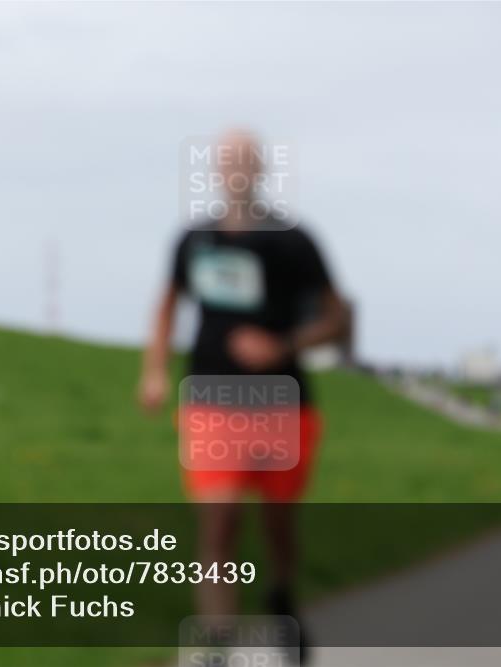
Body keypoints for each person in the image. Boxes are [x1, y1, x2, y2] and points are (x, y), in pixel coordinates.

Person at [138, 129, 347, 660]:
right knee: (219, 521)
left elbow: (336, 318)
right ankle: (215, 646)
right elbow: (167, 307)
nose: (234, 169)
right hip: (211, 397)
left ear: (260, 170)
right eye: (225, 160)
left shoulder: (294, 241)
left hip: (281, 400)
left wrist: (284, 344)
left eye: (244, 160)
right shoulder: (193, 239)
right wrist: (155, 371)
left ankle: (280, 595)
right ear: (214, 170)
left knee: (278, 525)